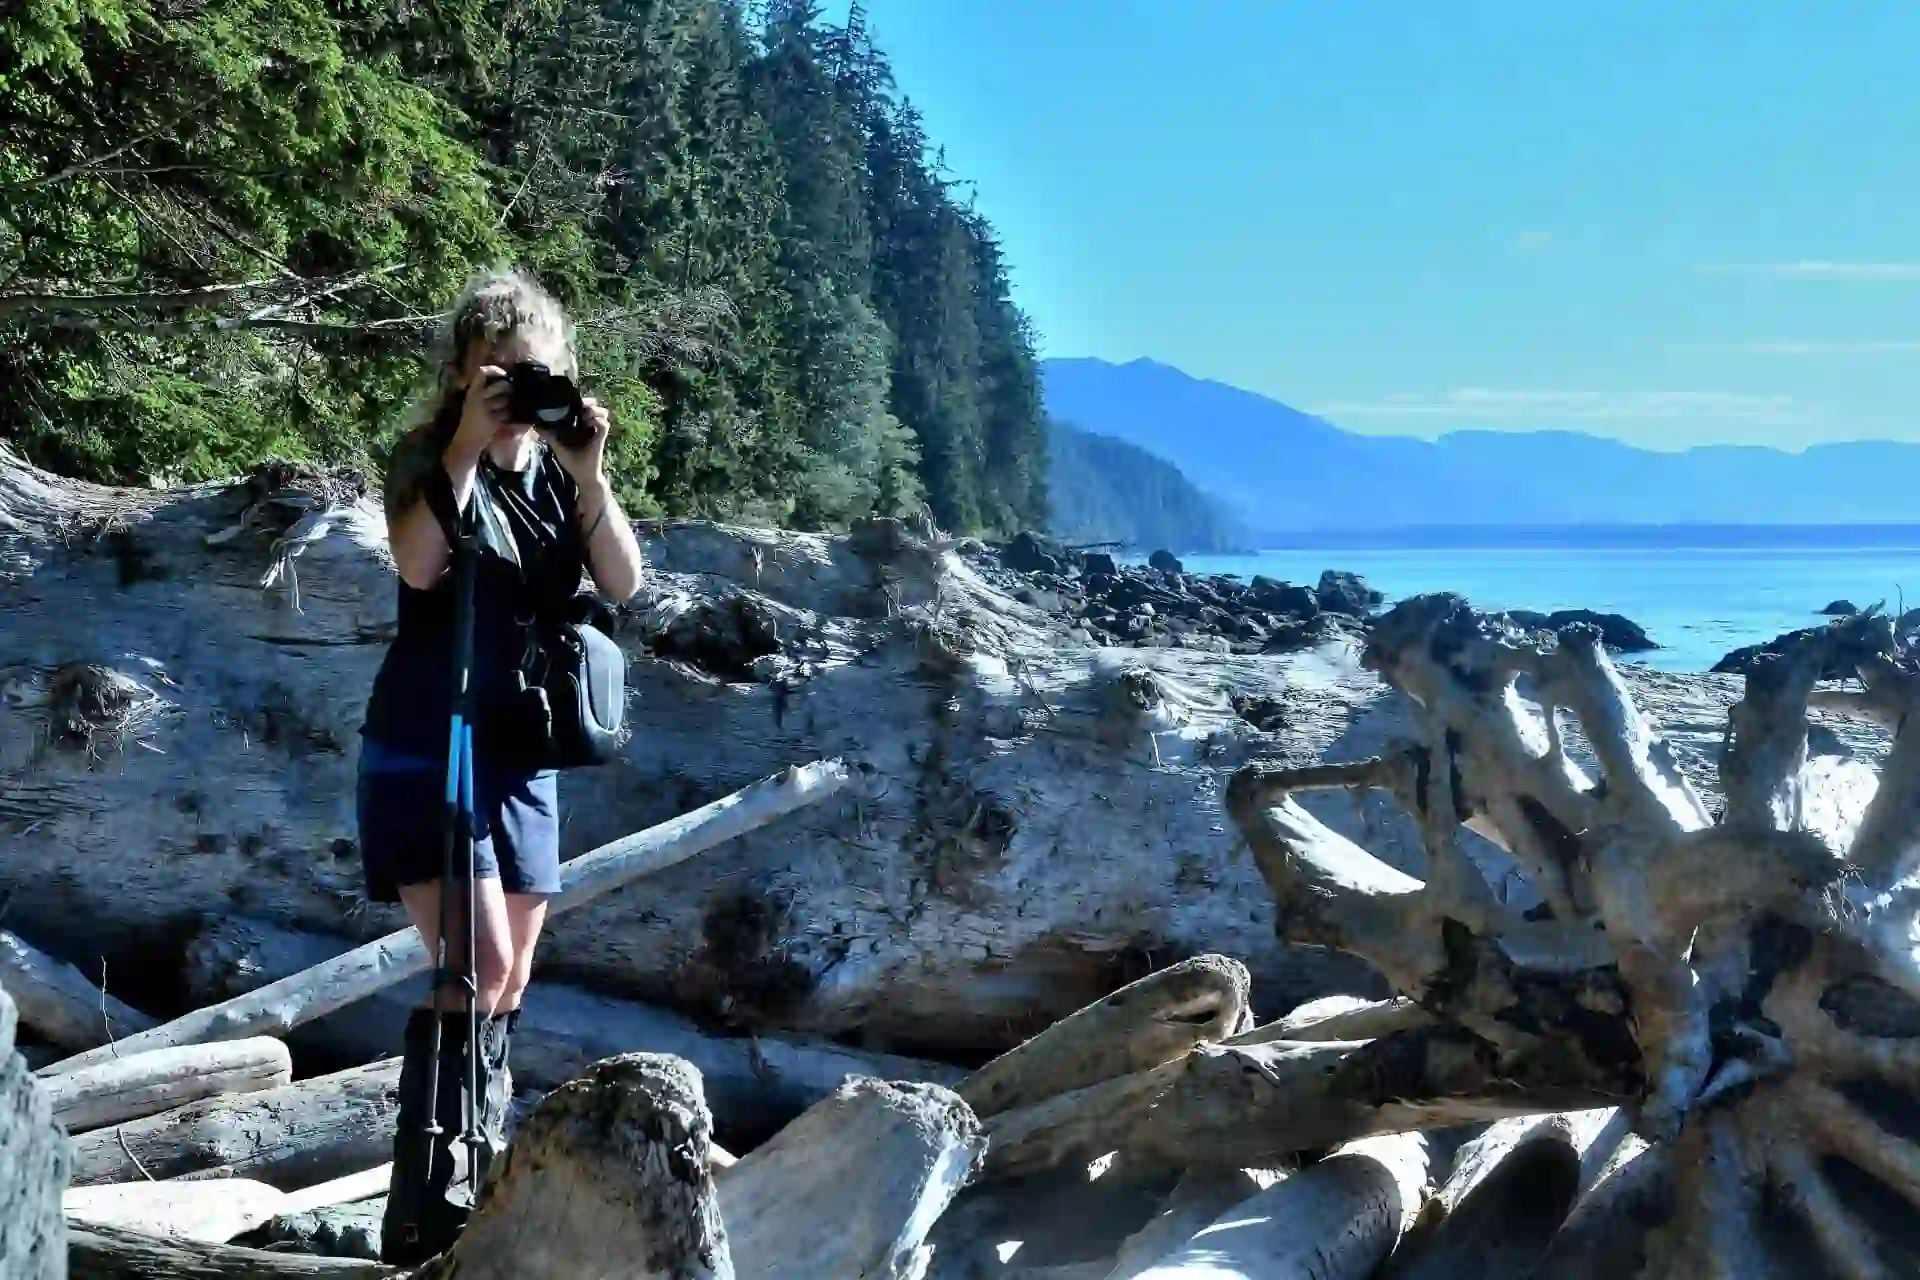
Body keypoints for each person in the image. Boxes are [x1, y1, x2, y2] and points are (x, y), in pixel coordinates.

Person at [356, 267, 645, 1264]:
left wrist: (591, 471)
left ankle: (473, 1171)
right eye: (505, 375)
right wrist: (469, 448)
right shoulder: (430, 457)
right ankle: (423, 1199)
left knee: (509, 975)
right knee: (471, 965)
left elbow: (624, 581)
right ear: (466, 372)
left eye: (540, 376)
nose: (524, 393)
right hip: (430, 739)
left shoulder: (562, 476)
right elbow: (418, 565)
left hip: (523, 758)